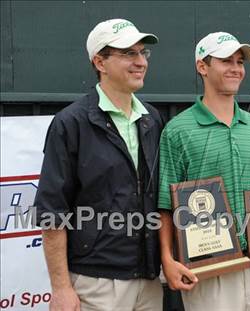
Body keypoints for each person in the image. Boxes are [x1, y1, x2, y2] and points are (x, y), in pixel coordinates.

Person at [158, 32, 250, 311]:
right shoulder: (177, 129)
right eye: (226, 61)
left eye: (240, 61)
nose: (236, 68)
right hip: (209, 267)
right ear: (202, 67)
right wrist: (167, 259)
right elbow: (165, 204)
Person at [34, 18, 163, 310]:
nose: (140, 61)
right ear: (100, 62)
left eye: (143, 53)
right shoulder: (71, 123)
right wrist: (61, 287)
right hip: (97, 283)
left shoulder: (152, 119)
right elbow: (52, 212)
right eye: (129, 53)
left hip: (150, 280)